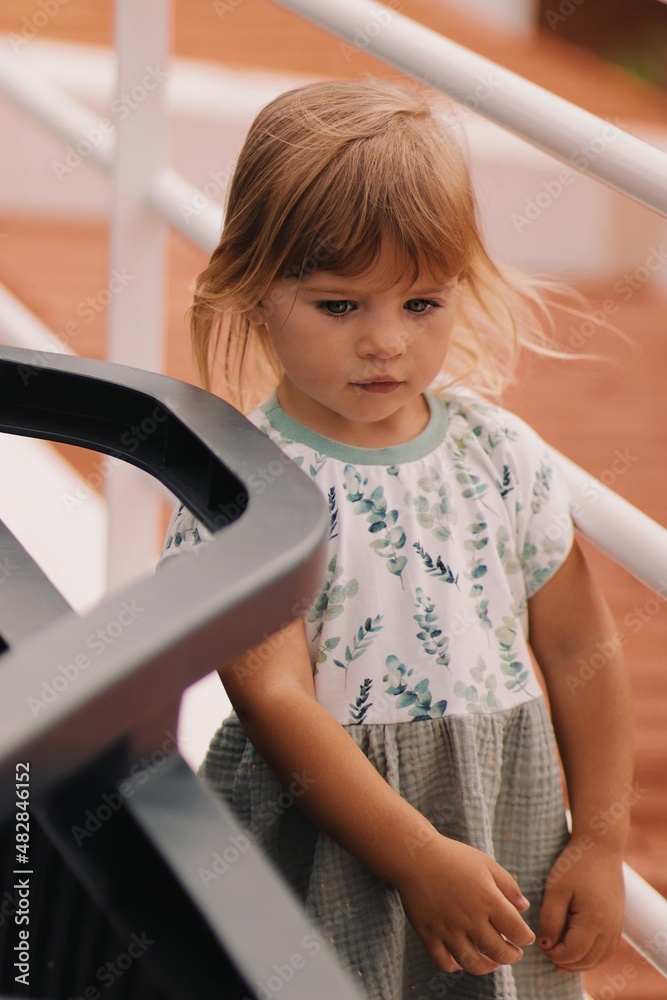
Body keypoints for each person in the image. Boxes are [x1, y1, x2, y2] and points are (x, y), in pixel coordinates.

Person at [161, 79, 634, 1000]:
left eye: (420, 304)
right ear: (255, 291)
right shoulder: (244, 485)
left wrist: (601, 838)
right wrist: (417, 858)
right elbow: (274, 700)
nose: (385, 343)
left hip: (503, 826)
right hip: (327, 836)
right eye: (339, 307)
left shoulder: (500, 457)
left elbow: (581, 644)